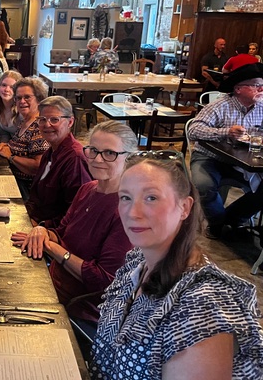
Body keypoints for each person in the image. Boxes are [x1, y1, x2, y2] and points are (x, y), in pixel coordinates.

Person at [90, 150, 263, 378]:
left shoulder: (202, 309)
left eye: (151, 198)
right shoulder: (137, 262)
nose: (133, 212)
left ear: (185, 207)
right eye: (125, 197)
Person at [12, 121, 136, 322]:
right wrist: (42, 231)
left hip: (79, 309)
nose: (97, 159)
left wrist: (52, 248)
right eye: (93, 150)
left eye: (109, 153)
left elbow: (104, 281)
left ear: (128, 158)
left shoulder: (127, 211)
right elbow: (62, 232)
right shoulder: (87, 189)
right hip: (51, 283)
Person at [187, 63, 263, 238]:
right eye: (256, 85)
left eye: (262, 86)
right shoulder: (220, 106)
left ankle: (231, 220)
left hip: (244, 161)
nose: (261, 89)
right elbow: (193, 130)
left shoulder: (261, 107)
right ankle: (218, 224)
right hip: (209, 157)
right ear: (238, 89)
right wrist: (226, 132)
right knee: (204, 186)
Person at [24, 95, 92, 229]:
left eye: (54, 119)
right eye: (42, 119)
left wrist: (43, 226)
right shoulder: (50, 152)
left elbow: (77, 211)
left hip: (52, 231)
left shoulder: (75, 159)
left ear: (70, 122)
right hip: (34, 219)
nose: (47, 125)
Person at [0, 77, 50, 198]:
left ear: (39, 99)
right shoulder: (24, 122)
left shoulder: (39, 127)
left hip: (26, 190)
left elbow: (38, 167)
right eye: (18, 98)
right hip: (13, 179)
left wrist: (11, 156)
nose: (22, 101)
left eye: (27, 97)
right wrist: (6, 145)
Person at [0, 70, 23, 142]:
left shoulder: (21, 111)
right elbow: (4, 133)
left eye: (12, 87)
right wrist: (3, 144)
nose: (6, 90)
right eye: (4, 85)